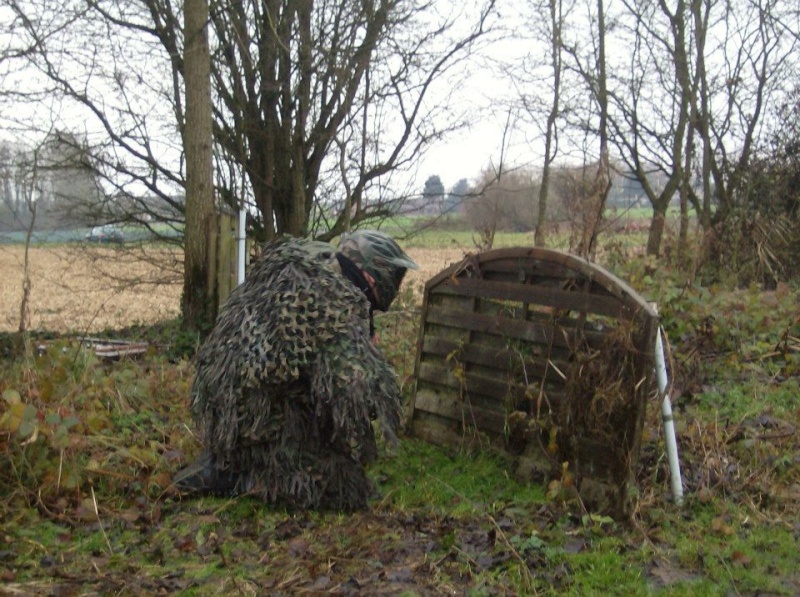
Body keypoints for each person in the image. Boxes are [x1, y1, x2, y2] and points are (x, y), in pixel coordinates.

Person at [173, 230, 418, 511]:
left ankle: (230, 454)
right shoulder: (337, 302)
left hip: (222, 401)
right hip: (255, 414)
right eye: (395, 277)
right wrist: (369, 358)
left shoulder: (307, 264)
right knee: (344, 488)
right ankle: (241, 475)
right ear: (374, 273)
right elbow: (356, 397)